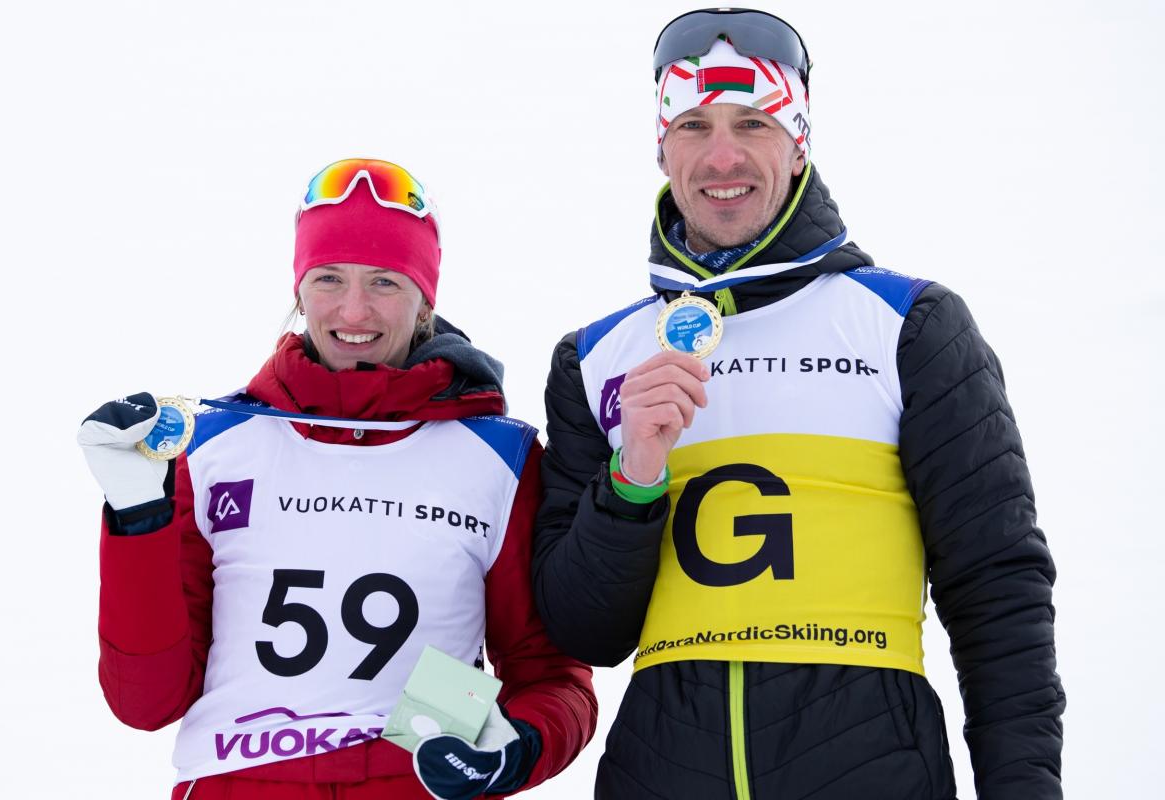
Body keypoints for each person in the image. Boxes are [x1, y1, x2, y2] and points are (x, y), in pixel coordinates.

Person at [533, 9, 1064, 799]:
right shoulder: (596, 357)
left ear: (799, 139)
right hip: (660, 773)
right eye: (693, 125)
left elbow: (997, 586)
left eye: (753, 121)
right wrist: (633, 479)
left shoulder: (906, 323)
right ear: (661, 145)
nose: (722, 156)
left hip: (873, 770)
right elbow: (584, 633)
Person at [78, 158, 596, 799]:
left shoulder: (496, 455)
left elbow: (547, 676)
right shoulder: (213, 446)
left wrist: (515, 746)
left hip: (410, 786)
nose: (355, 309)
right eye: (328, 279)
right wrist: (136, 519)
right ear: (298, 290)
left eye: (385, 280)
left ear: (424, 298)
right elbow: (148, 702)